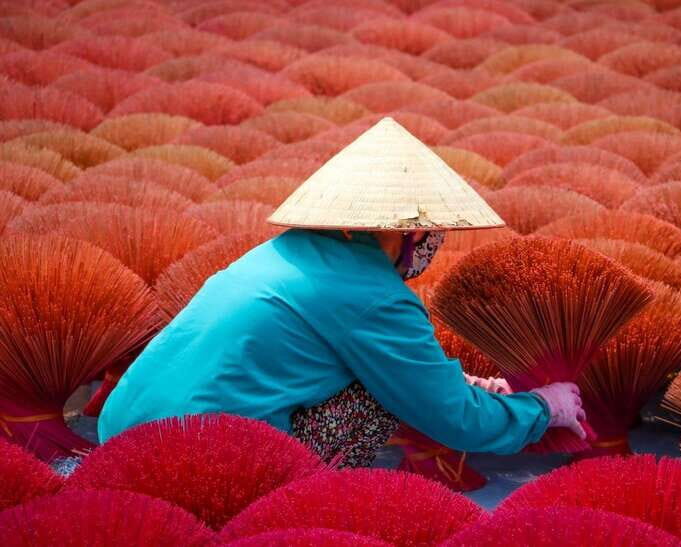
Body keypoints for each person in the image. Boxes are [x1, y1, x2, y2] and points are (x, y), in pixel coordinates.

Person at [98, 118, 587, 467]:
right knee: (382, 396)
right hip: (192, 459)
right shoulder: (374, 296)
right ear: (411, 232)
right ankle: (290, 497)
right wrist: (545, 408)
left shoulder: (282, 252)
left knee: (387, 379)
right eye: (432, 231)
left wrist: (460, 385)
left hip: (118, 434)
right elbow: (451, 418)